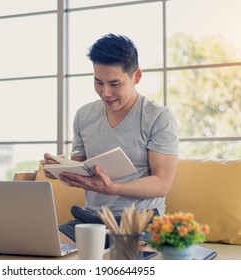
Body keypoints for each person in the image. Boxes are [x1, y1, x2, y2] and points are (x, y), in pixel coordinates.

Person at [43, 33, 179, 245]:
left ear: (136, 76)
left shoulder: (158, 117)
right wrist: (59, 169)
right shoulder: (84, 115)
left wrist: (112, 188)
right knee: (41, 250)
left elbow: (162, 184)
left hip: (140, 222)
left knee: (120, 262)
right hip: (90, 220)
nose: (105, 93)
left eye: (115, 84)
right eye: (98, 82)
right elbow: (81, 167)